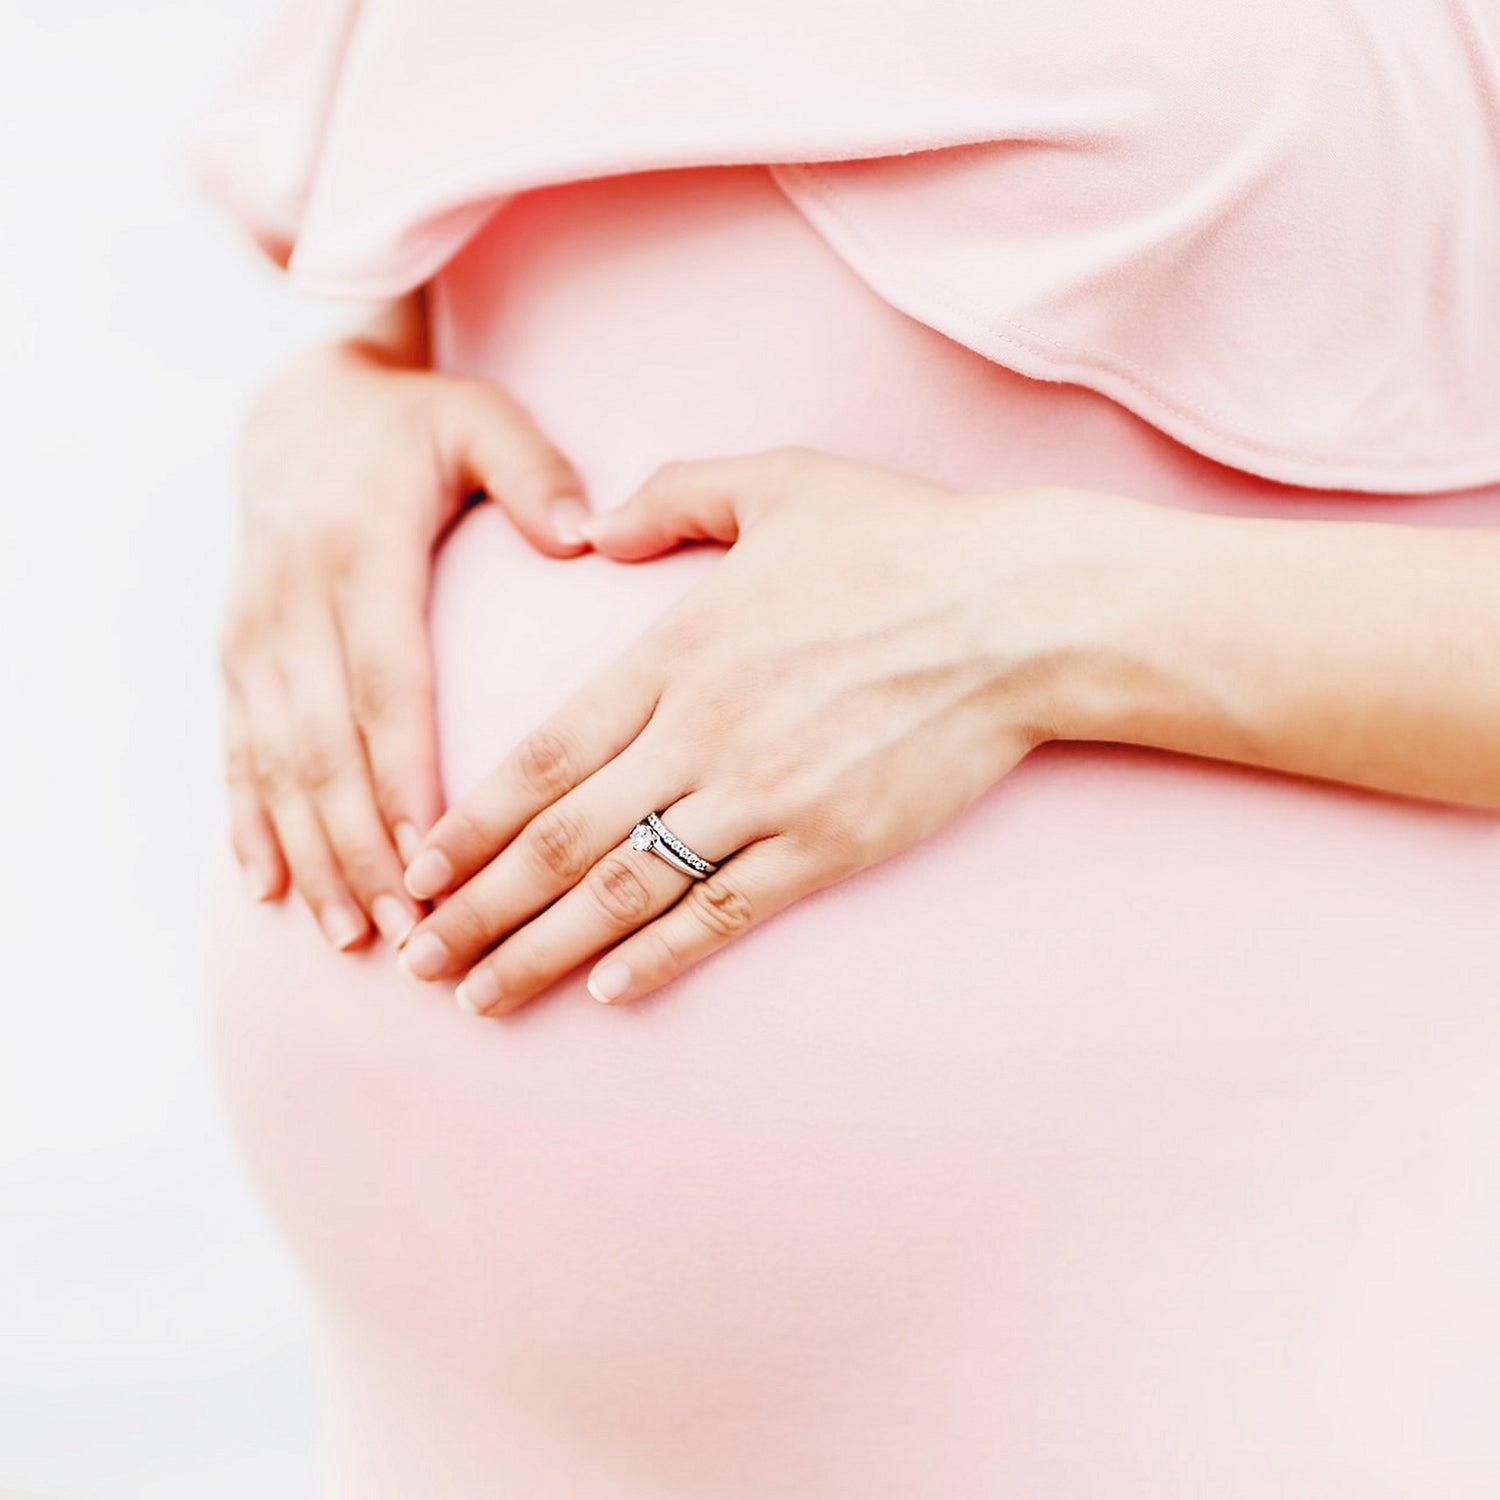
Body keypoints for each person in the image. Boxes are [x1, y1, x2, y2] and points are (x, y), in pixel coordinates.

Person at [192, 0, 1500, 1493]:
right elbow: (493, 272)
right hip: (444, 1409)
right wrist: (328, 412)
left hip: (1208, 1328)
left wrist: (1035, 615)